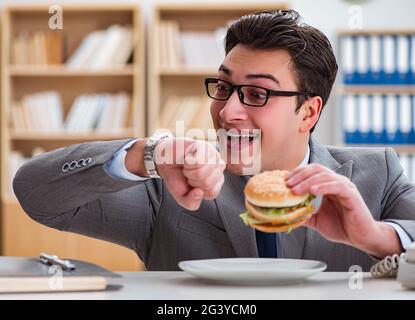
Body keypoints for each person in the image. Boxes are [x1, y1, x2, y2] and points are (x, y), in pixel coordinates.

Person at [13, 10, 415, 271]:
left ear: (308, 112)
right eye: (224, 87)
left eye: (257, 94)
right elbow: (35, 193)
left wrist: (377, 238)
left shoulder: (377, 173)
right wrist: (144, 155)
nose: (227, 112)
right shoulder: (171, 185)